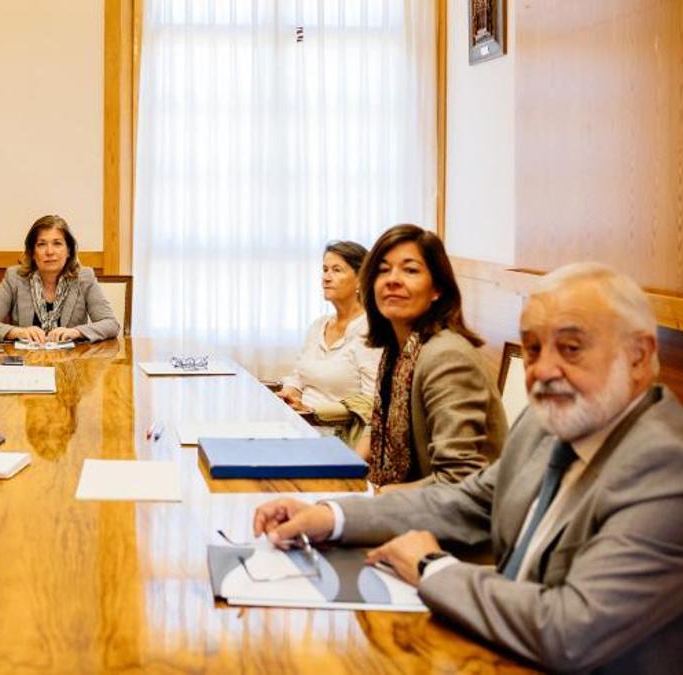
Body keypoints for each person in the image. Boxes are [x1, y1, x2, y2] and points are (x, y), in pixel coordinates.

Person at [252, 262, 683, 673]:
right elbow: (468, 501)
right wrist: (333, 515)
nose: (545, 370)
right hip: (497, 648)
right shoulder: (545, 421)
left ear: (639, 356)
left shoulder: (666, 469)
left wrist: (431, 568)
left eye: (571, 348)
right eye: (533, 349)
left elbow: (569, 630)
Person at [356, 224, 505, 490]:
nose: (393, 279)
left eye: (410, 270)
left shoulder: (447, 357)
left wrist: (378, 497)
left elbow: (458, 481)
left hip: (461, 523)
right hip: (416, 511)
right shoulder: (398, 352)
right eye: (383, 270)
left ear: (437, 289)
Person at [277, 241, 382, 441]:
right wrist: (288, 392)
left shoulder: (371, 332)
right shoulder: (319, 325)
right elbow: (299, 375)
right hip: (299, 425)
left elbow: (371, 404)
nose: (326, 277)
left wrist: (312, 411)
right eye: (324, 269)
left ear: (360, 279)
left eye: (336, 270)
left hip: (339, 436)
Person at [0, 215, 119, 343]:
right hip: (28, 363)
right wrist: (18, 332)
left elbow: (111, 324)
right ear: (32, 252)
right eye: (42, 244)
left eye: (57, 243)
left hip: (72, 364)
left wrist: (76, 332)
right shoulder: (15, 277)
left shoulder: (84, 277)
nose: (50, 252)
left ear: (69, 250)